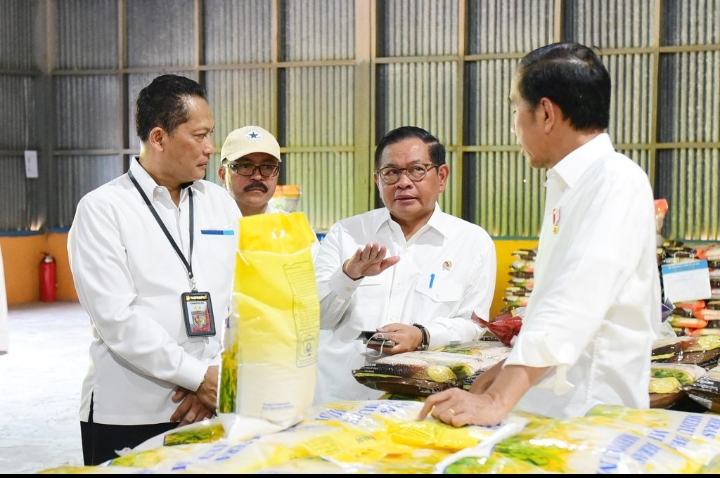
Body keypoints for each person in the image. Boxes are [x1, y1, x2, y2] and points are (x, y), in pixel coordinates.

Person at [418, 42, 661, 427]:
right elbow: (553, 303)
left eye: (516, 110)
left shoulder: (616, 181)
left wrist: (499, 397)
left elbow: (572, 302)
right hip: (557, 411)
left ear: (546, 113)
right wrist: (503, 369)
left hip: (591, 415)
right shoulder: (569, 185)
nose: (514, 126)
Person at [67, 74, 240, 465]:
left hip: (210, 404)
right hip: (131, 411)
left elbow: (237, 299)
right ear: (159, 138)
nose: (210, 148)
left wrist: (215, 378)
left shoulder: (220, 204)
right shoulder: (104, 209)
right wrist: (197, 377)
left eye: (211, 134)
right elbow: (117, 319)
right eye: (199, 135)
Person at [313, 125, 497, 403]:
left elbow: (473, 325)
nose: (403, 182)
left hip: (423, 400)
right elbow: (318, 319)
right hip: (339, 396)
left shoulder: (472, 242)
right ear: (377, 180)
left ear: (442, 176)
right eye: (391, 173)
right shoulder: (346, 234)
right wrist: (349, 275)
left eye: (417, 170)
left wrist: (423, 335)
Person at [218, 125, 283, 217]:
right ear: (223, 175)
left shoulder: (294, 229)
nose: (257, 176)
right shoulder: (201, 224)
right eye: (245, 166)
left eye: (267, 167)